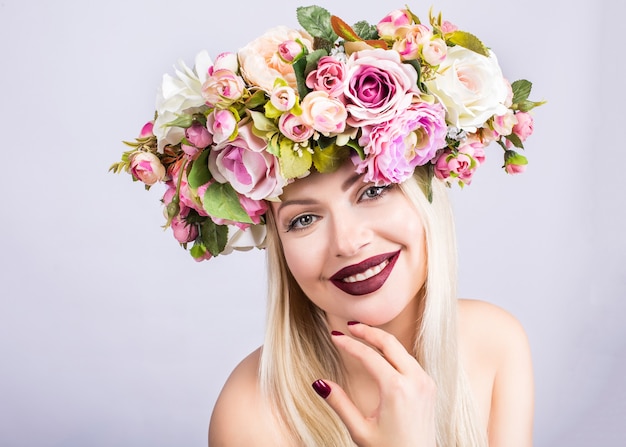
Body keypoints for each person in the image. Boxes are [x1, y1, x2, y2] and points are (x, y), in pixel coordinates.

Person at [112, 4, 542, 446]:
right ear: (276, 241)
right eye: (304, 219)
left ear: (425, 197)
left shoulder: (494, 344)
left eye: (372, 191)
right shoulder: (250, 413)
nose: (349, 242)